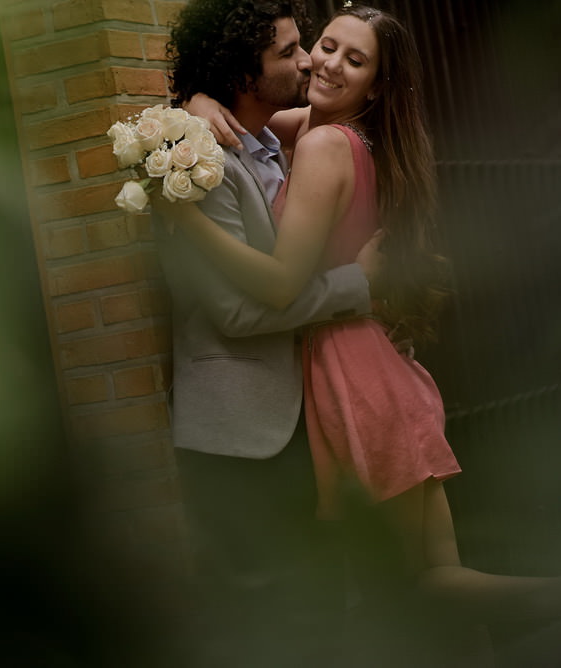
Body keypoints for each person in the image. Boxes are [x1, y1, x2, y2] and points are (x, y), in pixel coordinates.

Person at [159, 4, 561, 663]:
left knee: (403, 585)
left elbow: (281, 285)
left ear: (378, 85)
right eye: (323, 45)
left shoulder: (319, 144)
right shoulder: (325, 130)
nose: (324, 62)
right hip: (380, 368)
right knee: (432, 575)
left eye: (354, 59)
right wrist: (198, 98)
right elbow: (246, 113)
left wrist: (187, 223)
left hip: (350, 377)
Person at [154, 1, 393, 665]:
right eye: (289, 52)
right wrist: (353, 290)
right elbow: (233, 313)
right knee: (268, 622)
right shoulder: (196, 161)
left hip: (291, 419)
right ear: (243, 71)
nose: (309, 59)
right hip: (237, 435)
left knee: (318, 609)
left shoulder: (275, 140)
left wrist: (199, 97)